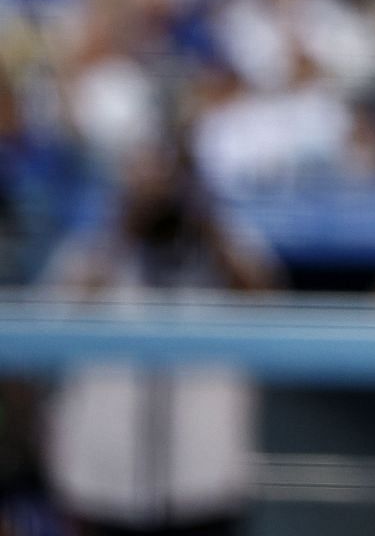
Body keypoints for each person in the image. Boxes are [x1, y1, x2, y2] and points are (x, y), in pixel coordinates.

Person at [40, 146, 279, 536]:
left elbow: (267, 303)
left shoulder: (228, 251)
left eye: (166, 188)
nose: (157, 200)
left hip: (204, 479)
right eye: (142, 185)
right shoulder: (92, 249)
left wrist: (209, 224)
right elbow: (57, 320)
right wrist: (124, 232)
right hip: (105, 478)